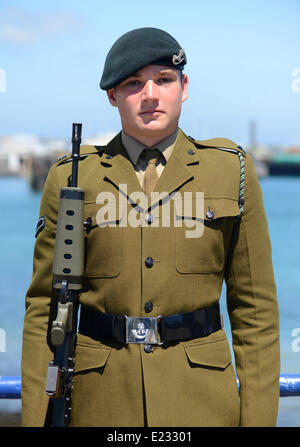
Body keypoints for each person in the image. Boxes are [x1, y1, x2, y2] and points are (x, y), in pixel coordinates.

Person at [21, 27, 280, 427]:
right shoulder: (73, 179)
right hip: (101, 404)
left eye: (163, 80)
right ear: (112, 96)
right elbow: (44, 311)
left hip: (203, 405)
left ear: (184, 85)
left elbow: (255, 312)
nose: (151, 95)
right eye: (133, 84)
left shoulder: (232, 171)